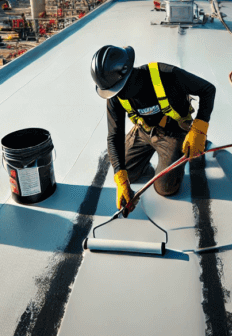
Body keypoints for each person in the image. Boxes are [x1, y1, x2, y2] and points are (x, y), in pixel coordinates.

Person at [91, 45, 216, 216]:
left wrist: (199, 129)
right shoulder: (115, 95)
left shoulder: (166, 75)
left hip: (174, 132)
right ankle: (145, 161)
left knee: (166, 188)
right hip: (144, 131)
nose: (115, 95)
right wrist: (121, 179)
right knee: (126, 171)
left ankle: (184, 148)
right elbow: (114, 135)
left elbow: (208, 89)